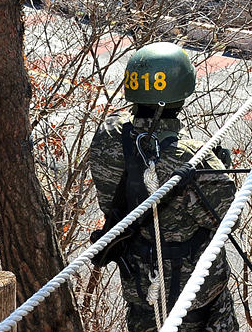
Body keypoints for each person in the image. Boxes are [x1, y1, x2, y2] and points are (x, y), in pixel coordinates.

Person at [88, 43, 239, 332]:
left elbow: (128, 134)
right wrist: (219, 166)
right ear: (181, 95)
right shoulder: (193, 158)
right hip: (198, 299)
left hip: (141, 293)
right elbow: (226, 219)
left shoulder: (106, 138)